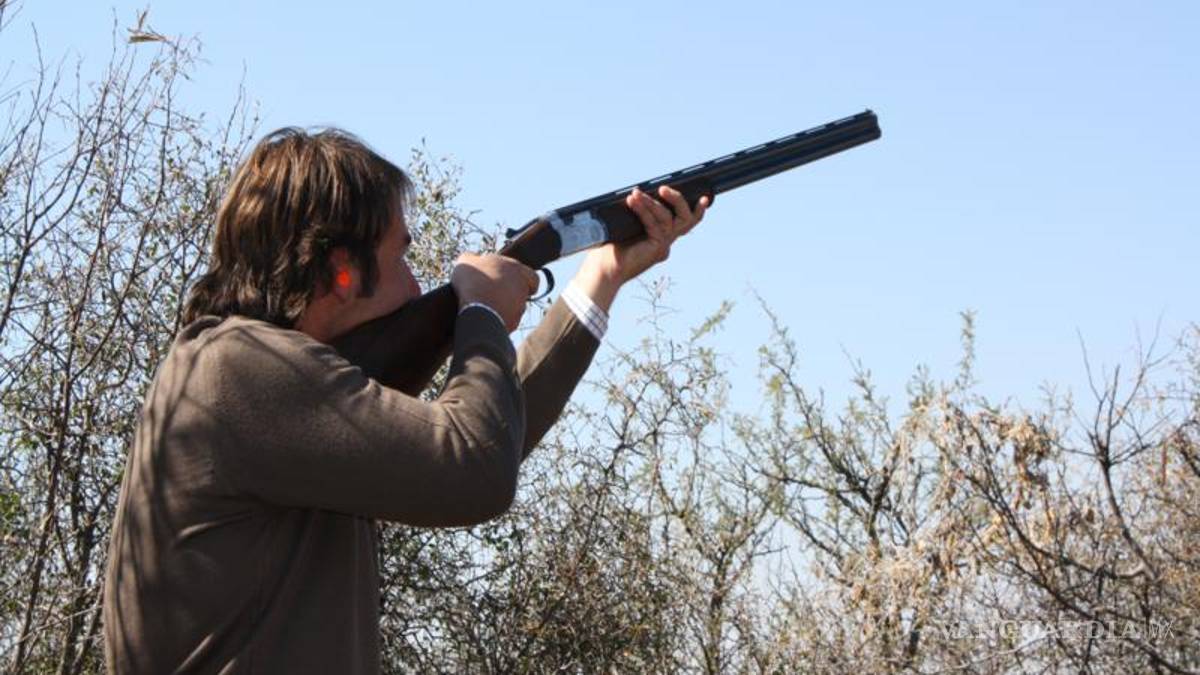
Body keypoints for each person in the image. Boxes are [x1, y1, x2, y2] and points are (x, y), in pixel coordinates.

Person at [102, 127, 709, 673]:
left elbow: (493, 437)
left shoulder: (248, 378)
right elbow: (474, 467)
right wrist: (478, 311)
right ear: (342, 272)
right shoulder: (235, 369)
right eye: (402, 256)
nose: (419, 286)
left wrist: (602, 276)